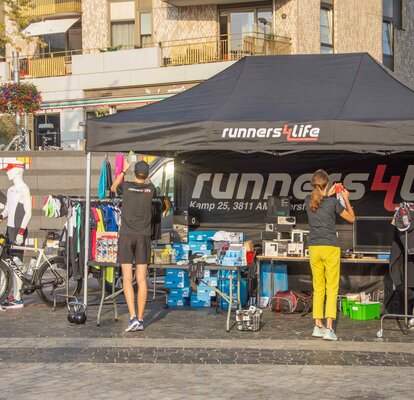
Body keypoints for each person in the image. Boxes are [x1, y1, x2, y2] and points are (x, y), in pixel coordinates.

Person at [305, 169, 355, 341]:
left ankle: (317, 326)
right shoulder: (333, 203)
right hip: (330, 248)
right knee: (331, 289)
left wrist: (330, 193)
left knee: (318, 288)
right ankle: (329, 328)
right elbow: (351, 218)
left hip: (314, 248)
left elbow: (320, 199)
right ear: (326, 184)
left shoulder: (307, 201)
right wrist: (345, 198)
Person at [111, 160, 155, 332]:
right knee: (142, 279)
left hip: (127, 236)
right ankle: (141, 319)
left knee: (127, 279)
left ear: (134, 173)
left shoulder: (127, 187)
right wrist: (146, 177)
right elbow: (149, 183)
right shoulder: (151, 190)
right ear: (146, 174)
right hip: (143, 237)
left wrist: (123, 169)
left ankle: (132, 317)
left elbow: (113, 187)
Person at [0, 162, 32, 309]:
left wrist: (21, 231)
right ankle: (13, 294)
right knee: (11, 263)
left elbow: (28, 213)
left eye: (9, 170)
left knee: (16, 262)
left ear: (18, 171)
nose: (7, 173)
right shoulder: (11, 189)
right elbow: (8, 209)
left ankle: (18, 298)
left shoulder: (24, 189)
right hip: (10, 229)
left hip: (18, 229)